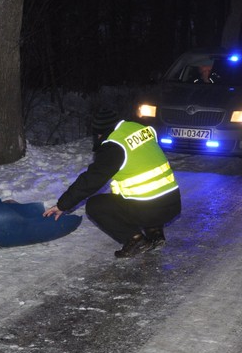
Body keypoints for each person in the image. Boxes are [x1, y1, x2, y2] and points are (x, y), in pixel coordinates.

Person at [43, 108, 181, 258]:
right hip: (173, 204)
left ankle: (135, 239)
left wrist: (62, 205)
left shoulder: (114, 146)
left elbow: (90, 180)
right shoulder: (139, 128)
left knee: (95, 205)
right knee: (144, 193)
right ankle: (155, 233)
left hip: (149, 210)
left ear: (100, 132)